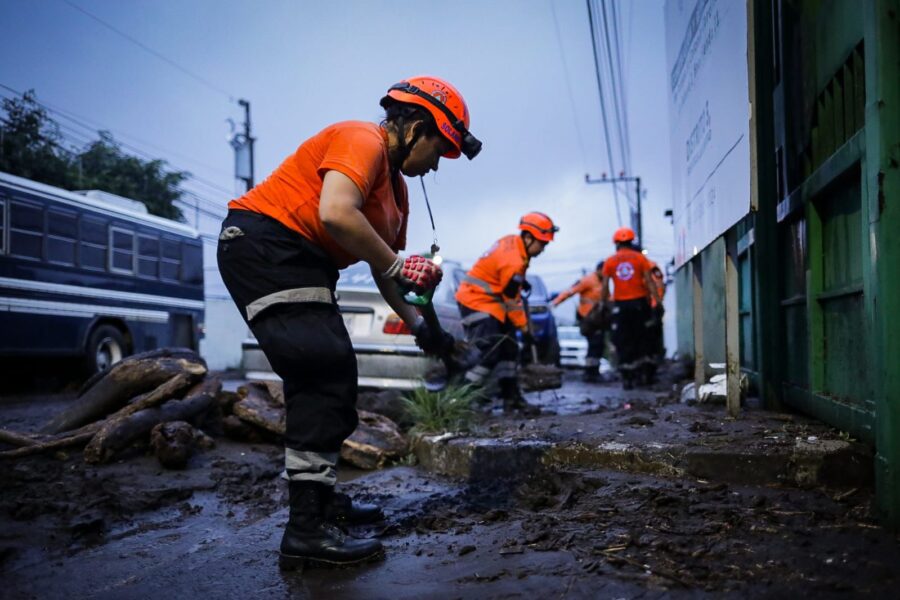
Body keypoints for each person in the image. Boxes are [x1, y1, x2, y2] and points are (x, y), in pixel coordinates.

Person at [216, 76, 480, 570]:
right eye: (439, 150)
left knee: (333, 376)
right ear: (417, 127)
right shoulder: (362, 139)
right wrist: (402, 268)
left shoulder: (396, 198)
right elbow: (336, 214)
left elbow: (384, 270)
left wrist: (423, 326)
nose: (437, 164)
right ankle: (306, 532)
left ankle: (321, 504)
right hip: (264, 244)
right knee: (321, 367)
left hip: (300, 258)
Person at [455, 212, 557, 413]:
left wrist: (519, 282)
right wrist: (525, 327)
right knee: (490, 352)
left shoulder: (512, 242)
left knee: (510, 349)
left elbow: (503, 280)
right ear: (528, 237)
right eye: (542, 244)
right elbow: (511, 300)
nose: (543, 249)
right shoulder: (514, 262)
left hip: (493, 304)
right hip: (477, 301)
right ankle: (461, 399)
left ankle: (511, 399)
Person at [599, 227, 659, 389]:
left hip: (621, 306)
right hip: (640, 304)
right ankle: (642, 374)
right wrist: (657, 302)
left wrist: (604, 304)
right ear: (631, 242)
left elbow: (605, 287)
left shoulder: (610, 261)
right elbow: (649, 282)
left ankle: (627, 377)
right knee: (641, 338)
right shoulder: (640, 259)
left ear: (616, 243)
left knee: (624, 340)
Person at [552, 261, 606, 382]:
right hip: (588, 318)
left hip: (599, 319)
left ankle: (594, 370)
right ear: (598, 269)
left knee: (599, 344)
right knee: (594, 343)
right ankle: (590, 372)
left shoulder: (604, 283)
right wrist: (555, 303)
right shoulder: (587, 280)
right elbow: (570, 291)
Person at [648, 261, 667, 365]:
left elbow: (658, 286)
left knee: (653, 333)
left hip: (651, 306)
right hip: (652, 305)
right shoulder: (651, 267)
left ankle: (655, 358)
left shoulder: (649, 267)